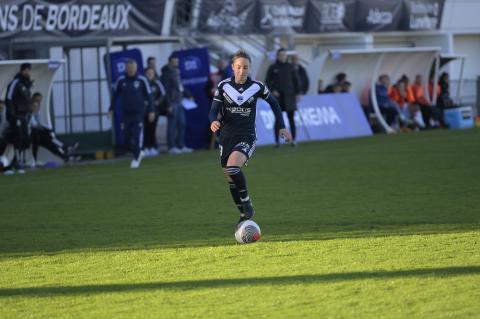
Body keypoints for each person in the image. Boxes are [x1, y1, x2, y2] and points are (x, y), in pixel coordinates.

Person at [209, 50, 292, 225]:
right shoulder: (224, 86)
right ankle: (243, 214)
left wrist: (282, 126)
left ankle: (247, 203)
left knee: (233, 168)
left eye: (245, 67)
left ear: (249, 68)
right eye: (238, 67)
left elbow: (275, 104)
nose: (242, 70)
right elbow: (213, 111)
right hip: (226, 137)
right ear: (233, 67)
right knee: (230, 177)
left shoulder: (257, 87)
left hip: (247, 136)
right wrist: (213, 122)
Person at [109, 59, 155, 168]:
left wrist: (151, 111)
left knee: (137, 135)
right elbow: (115, 95)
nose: (130, 70)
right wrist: (111, 109)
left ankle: (136, 158)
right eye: (128, 67)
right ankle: (138, 151)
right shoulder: (121, 80)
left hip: (139, 113)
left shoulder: (142, 80)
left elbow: (150, 96)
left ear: (136, 68)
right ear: (126, 68)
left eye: (132, 67)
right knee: (126, 136)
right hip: (126, 114)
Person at [30, 92, 78, 165]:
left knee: (50, 144)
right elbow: (33, 125)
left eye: (39, 101)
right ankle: (64, 147)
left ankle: (65, 156)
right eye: (36, 101)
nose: (37, 104)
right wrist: (45, 129)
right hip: (32, 135)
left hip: (39, 135)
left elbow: (39, 122)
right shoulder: (28, 113)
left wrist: (48, 128)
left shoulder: (36, 111)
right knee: (47, 135)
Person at [265, 48, 300, 147]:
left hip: (290, 96)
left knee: (291, 119)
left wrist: (298, 93)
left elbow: (296, 81)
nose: (282, 57)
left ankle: (293, 140)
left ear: (286, 56)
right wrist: (273, 90)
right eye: (280, 55)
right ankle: (277, 142)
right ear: (277, 56)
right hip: (278, 98)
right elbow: (268, 81)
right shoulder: (273, 67)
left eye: (284, 55)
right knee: (278, 120)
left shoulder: (291, 67)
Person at [5, 62, 33, 174]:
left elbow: (27, 101)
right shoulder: (16, 82)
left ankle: (22, 160)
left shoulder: (27, 84)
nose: (28, 72)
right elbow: (9, 98)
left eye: (29, 70)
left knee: (26, 137)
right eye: (26, 70)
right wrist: (12, 114)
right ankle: (17, 162)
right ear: (22, 71)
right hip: (16, 115)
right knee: (19, 136)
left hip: (24, 116)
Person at [161, 53, 192, 154]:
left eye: (177, 62)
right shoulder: (166, 73)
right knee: (172, 125)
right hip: (172, 102)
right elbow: (165, 90)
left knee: (182, 124)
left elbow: (180, 87)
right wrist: (168, 104)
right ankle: (171, 147)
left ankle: (181, 145)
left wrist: (188, 95)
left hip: (180, 101)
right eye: (174, 62)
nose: (176, 63)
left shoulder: (176, 71)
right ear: (170, 62)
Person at [143, 67, 166, 156]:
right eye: (148, 73)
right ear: (145, 74)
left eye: (151, 73)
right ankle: (145, 148)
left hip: (154, 111)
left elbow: (163, 94)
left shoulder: (157, 83)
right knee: (145, 130)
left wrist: (157, 102)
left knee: (152, 129)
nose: (150, 75)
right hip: (144, 111)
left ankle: (152, 147)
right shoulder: (143, 83)